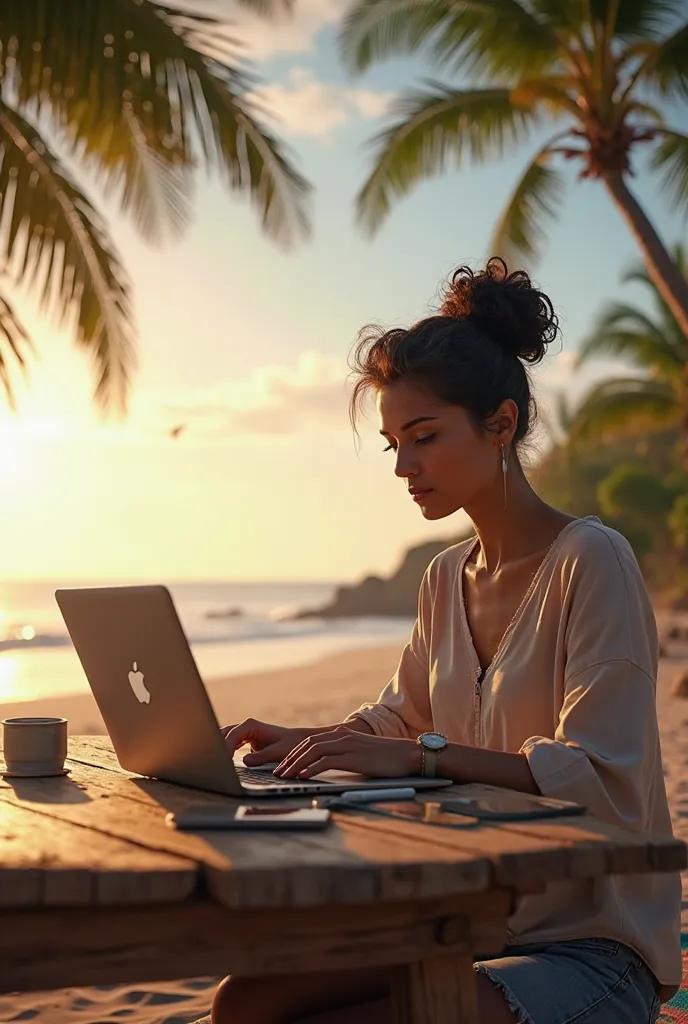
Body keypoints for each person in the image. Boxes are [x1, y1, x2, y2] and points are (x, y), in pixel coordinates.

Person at [212, 258, 681, 1024]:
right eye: (395, 442)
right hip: (469, 923)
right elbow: (402, 716)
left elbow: (604, 777)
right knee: (247, 1003)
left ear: (499, 424)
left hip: (592, 947)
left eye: (423, 437)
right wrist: (310, 740)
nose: (403, 466)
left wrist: (420, 755)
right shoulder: (443, 578)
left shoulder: (593, 562)